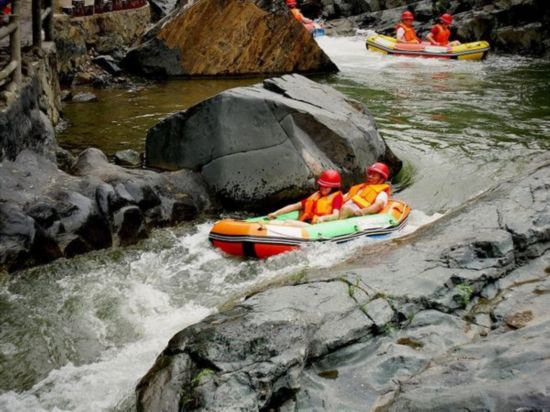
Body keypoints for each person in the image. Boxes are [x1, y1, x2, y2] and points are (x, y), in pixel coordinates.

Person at [267, 169, 343, 226]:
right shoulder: (317, 195)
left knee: (288, 223)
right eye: (322, 186)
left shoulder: (337, 197)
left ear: (333, 188)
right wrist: (276, 213)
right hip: (305, 222)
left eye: (327, 187)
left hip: (315, 225)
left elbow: (335, 215)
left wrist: (323, 218)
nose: (323, 188)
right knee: (272, 222)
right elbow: (294, 206)